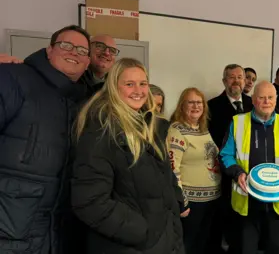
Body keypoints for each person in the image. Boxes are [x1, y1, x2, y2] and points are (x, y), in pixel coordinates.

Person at [71, 58, 186, 254]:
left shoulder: (151, 126)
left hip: (165, 240)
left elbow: (164, 175)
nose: (138, 90)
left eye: (143, 83)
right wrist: (142, 232)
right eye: (129, 84)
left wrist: (177, 200)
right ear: (114, 88)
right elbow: (89, 201)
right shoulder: (102, 130)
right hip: (130, 245)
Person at [0, 25, 92, 253]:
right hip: (9, 227)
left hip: (54, 232)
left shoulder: (82, 103)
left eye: (82, 50)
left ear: (88, 62)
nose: (74, 53)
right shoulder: (14, 77)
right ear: (49, 50)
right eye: (66, 45)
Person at [220, 81, 279, 254]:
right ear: (253, 99)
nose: (266, 101)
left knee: (275, 249)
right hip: (247, 204)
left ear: (276, 100)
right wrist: (237, 173)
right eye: (261, 97)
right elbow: (225, 155)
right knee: (245, 250)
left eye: (270, 97)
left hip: (278, 203)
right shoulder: (238, 122)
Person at [168, 87, 222, 254]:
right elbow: (172, 169)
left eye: (199, 102)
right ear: (182, 106)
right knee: (188, 244)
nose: (196, 106)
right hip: (191, 201)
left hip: (212, 198)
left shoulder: (203, 129)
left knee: (203, 243)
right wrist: (181, 201)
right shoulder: (176, 130)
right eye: (191, 102)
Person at [207, 64, 253, 253]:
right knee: (224, 215)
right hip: (222, 172)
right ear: (225, 81)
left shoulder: (253, 104)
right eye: (231, 77)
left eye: (240, 77)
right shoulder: (211, 106)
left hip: (249, 171)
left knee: (244, 221)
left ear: (245, 80)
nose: (236, 81)